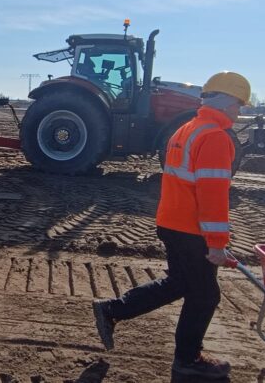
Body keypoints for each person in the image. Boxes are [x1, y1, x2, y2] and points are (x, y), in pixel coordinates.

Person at [91, 71, 252, 380]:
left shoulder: (187, 129)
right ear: (225, 101)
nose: (239, 111)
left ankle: (113, 310)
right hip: (192, 230)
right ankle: (187, 360)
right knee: (205, 296)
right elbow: (213, 194)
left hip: (171, 222)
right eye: (238, 104)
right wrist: (217, 243)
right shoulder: (215, 137)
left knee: (180, 283)